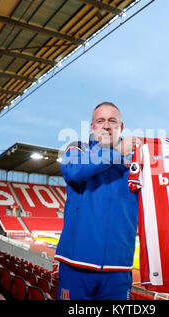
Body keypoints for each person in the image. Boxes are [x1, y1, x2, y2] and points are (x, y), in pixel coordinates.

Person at [55, 101, 139, 300]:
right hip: (75, 265)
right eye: (100, 121)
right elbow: (75, 173)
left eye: (112, 121)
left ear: (121, 127)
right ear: (92, 127)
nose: (107, 126)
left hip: (118, 268)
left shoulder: (137, 159)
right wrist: (116, 153)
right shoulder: (77, 149)